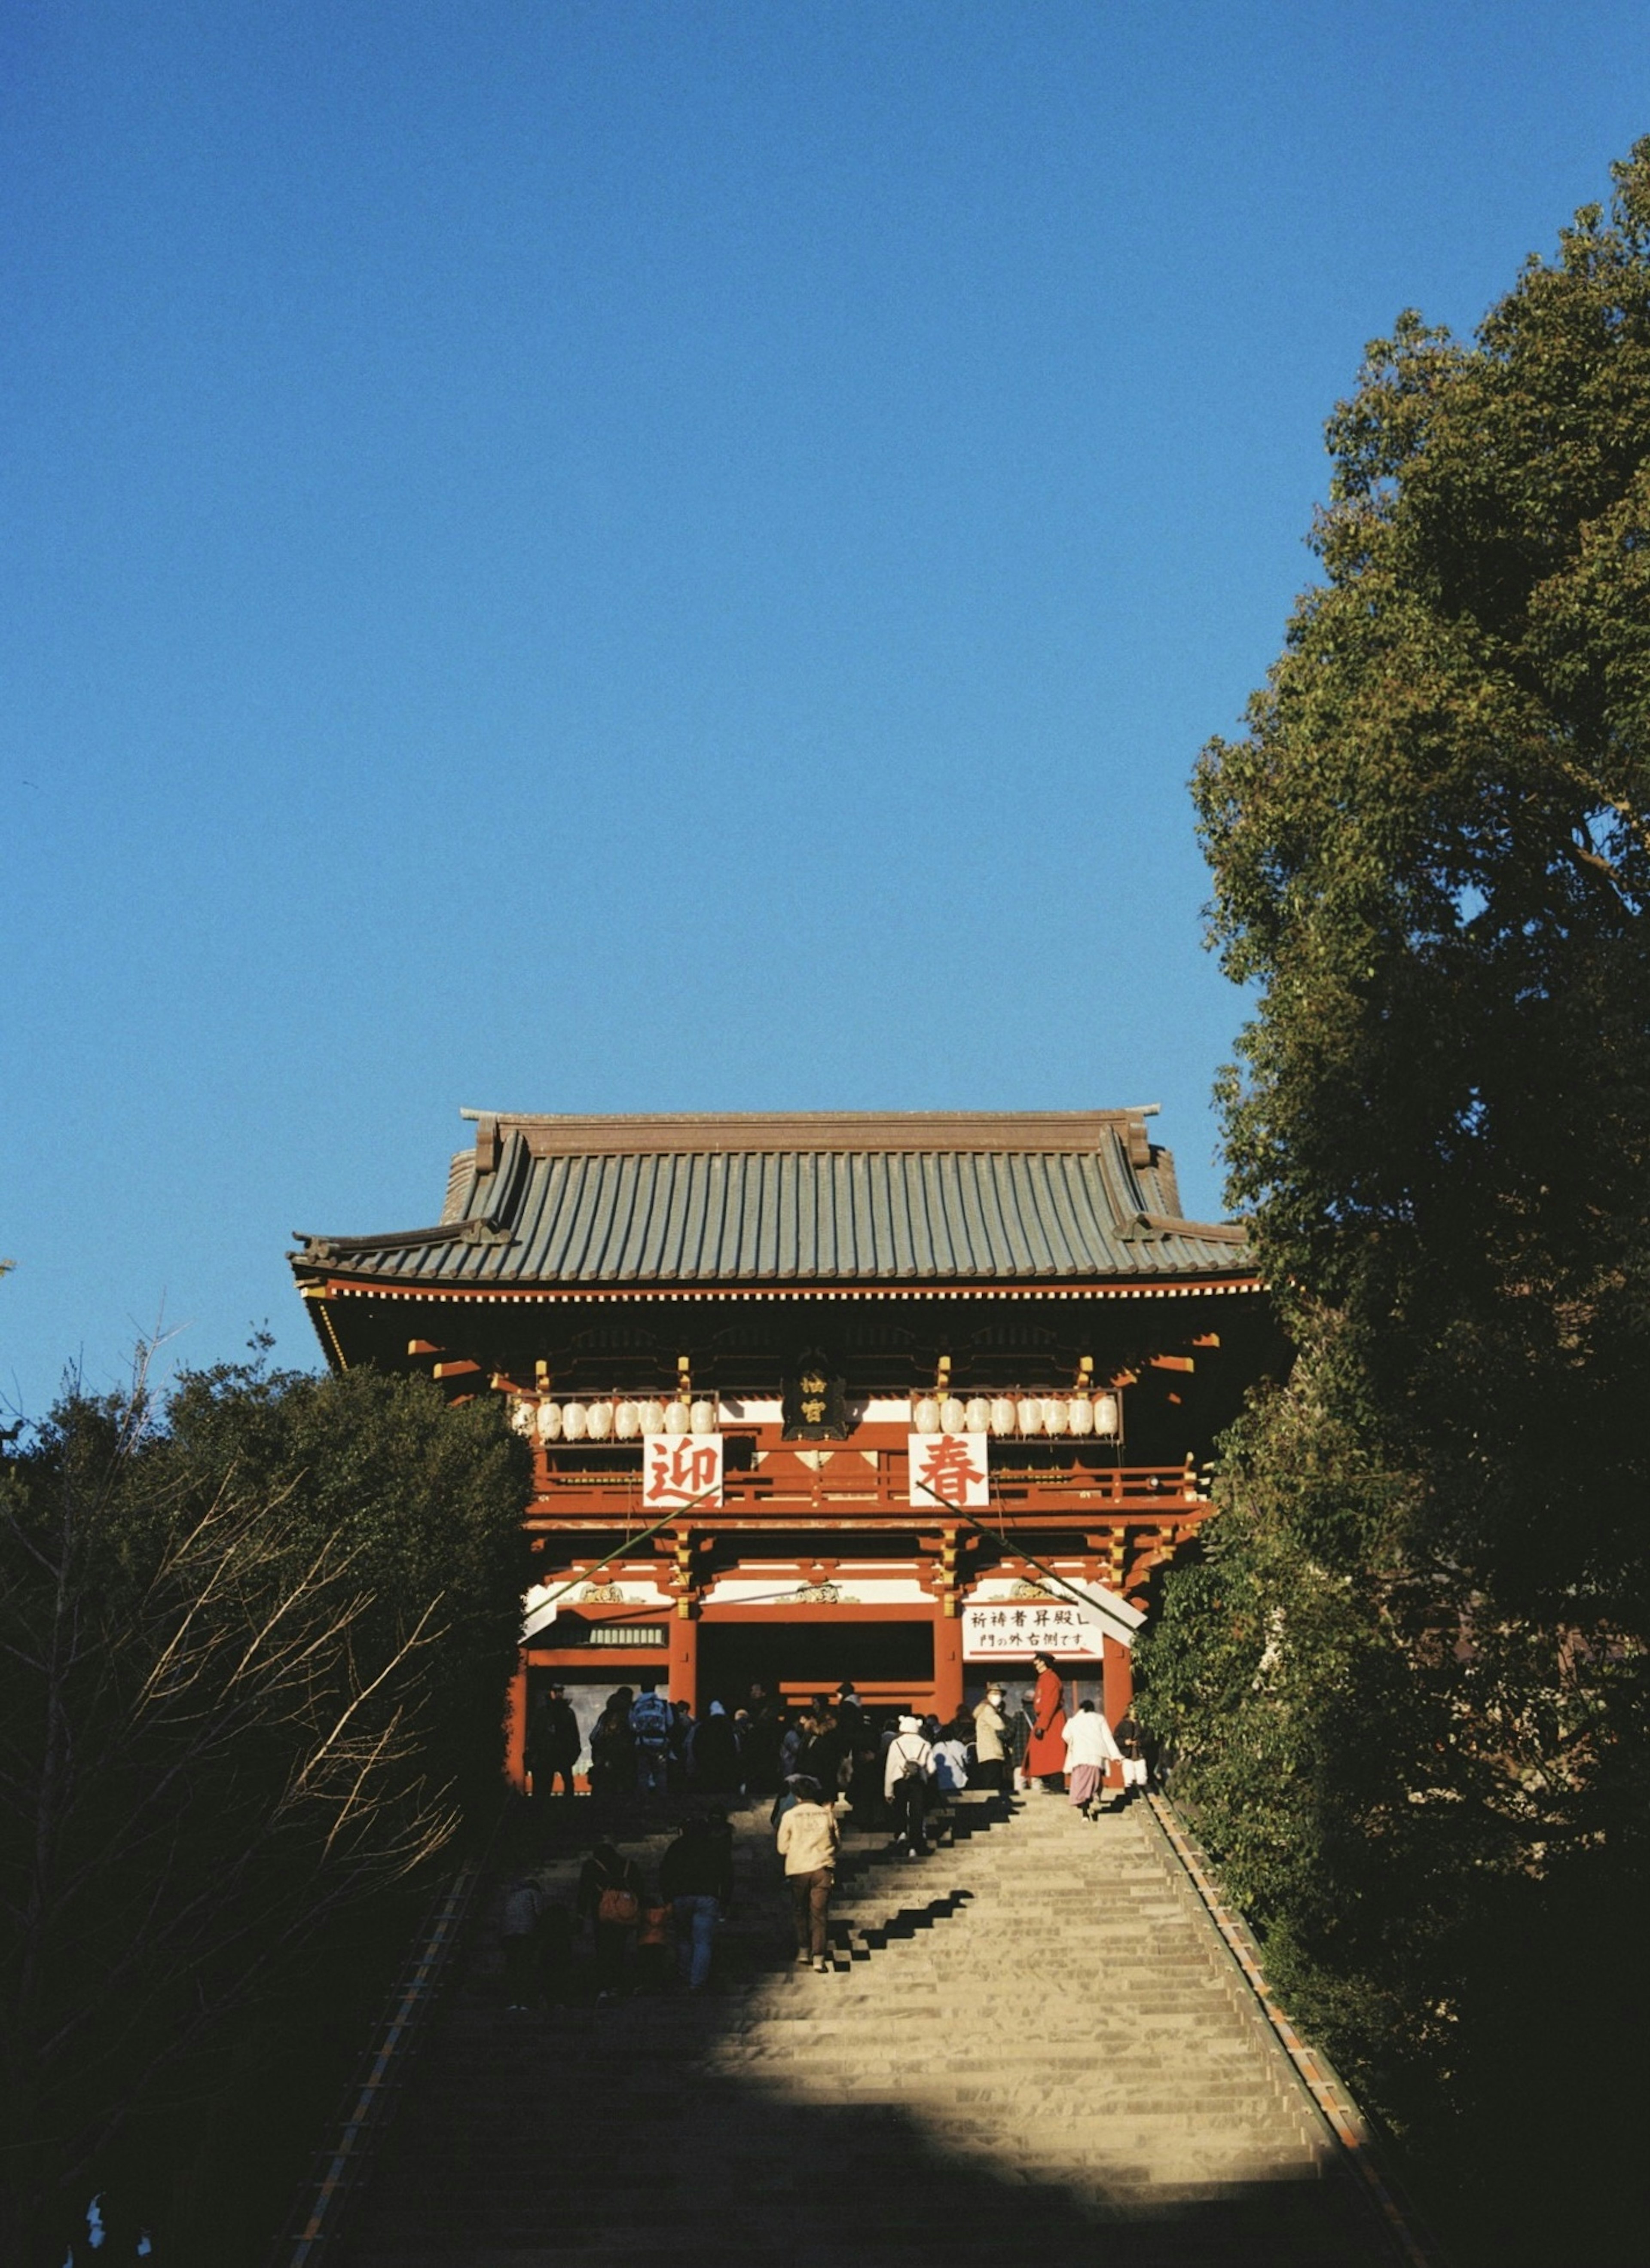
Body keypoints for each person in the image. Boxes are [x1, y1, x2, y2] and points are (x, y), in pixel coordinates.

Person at [659, 1812, 736, 1991]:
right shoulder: (715, 1846)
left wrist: (668, 1898)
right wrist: (725, 1900)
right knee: (703, 1941)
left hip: (681, 1897)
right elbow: (727, 1875)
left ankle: (685, 1975)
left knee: (684, 1939)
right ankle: (697, 1982)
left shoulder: (676, 1846)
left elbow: (665, 1873)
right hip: (707, 1897)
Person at [776, 1774, 840, 1973]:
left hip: (798, 1868)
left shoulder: (789, 1816)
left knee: (800, 1910)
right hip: (822, 1867)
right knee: (819, 1914)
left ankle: (804, 1949)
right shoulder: (827, 1815)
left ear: (797, 1796)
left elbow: (782, 1848)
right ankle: (819, 1957)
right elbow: (837, 1843)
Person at [576, 1841, 643, 2001]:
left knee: (604, 1949)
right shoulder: (628, 1865)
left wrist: (580, 1914)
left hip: (602, 1915)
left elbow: (584, 1890)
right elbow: (640, 1888)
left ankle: (607, 1985)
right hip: (624, 1914)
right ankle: (618, 1983)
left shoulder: (592, 1866)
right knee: (619, 1948)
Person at [884, 1712, 935, 1857]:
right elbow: (931, 1769)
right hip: (918, 1781)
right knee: (916, 1812)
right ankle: (915, 1844)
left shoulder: (896, 1743)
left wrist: (888, 1792)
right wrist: (922, 1773)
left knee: (900, 1806)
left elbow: (890, 1768)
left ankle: (901, 1833)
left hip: (900, 1781)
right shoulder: (925, 1744)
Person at [1062, 1698, 1122, 1817]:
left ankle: (1085, 1812)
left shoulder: (1073, 1721)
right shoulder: (1099, 1719)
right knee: (1094, 1784)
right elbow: (1107, 1738)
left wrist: (1075, 1743)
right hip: (1096, 1757)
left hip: (1080, 1757)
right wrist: (1116, 1755)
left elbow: (1065, 1735)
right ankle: (1094, 1800)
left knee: (1081, 1785)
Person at [1024, 1654, 1069, 1791]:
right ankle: (1050, 1784)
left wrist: (1043, 1725)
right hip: (1046, 1718)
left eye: (1037, 1661)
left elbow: (1051, 1703)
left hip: (1051, 1720)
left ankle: (1056, 1786)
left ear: (1043, 1662)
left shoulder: (1050, 1679)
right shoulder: (1045, 1678)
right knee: (1045, 1755)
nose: (1035, 1663)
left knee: (1054, 1755)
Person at [528, 1681, 581, 1798]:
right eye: (556, 1692)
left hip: (563, 1754)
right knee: (545, 1787)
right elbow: (535, 1734)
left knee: (568, 1785)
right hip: (546, 1754)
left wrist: (574, 1753)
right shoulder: (543, 1713)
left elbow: (574, 1735)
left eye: (560, 1692)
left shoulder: (568, 1713)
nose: (559, 1695)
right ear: (551, 1693)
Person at [500, 1874, 543, 2011]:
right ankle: (525, 2002)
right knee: (525, 1966)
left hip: (508, 1934)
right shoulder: (533, 1893)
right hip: (526, 1933)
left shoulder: (512, 1896)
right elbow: (539, 1912)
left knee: (512, 1967)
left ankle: (513, 2001)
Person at [588, 1689, 636, 1798]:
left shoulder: (605, 1716)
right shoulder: (629, 1714)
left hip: (605, 1756)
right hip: (625, 1757)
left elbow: (594, 1736)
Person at [630, 1679, 672, 1796]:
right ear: (654, 1689)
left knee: (643, 1773)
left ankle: (644, 1801)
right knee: (661, 1773)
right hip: (660, 1742)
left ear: (642, 1689)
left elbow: (632, 1725)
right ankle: (662, 1801)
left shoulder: (635, 1705)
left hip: (642, 1742)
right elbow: (670, 1722)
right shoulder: (663, 1704)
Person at [691, 1698, 741, 1792]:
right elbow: (736, 1745)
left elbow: (694, 1745)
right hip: (726, 1763)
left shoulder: (701, 1728)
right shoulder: (729, 1728)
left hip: (706, 1762)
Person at [972, 1684, 1008, 1794]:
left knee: (989, 1782)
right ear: (988, 1695)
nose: (998, 1697)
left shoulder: (984, 1710)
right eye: (994, 1694)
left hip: (985, 1753)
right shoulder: (988, 1710)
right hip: (992, 1751)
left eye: (999, 1694)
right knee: (993, 1784)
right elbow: (1000, 1726)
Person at [932, 1715, 973, 1796]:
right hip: (959, 1781)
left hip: (942, 1782)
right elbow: (967, 1760)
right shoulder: (959, 1745)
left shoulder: (937, 1747)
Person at [1115, 1706, 1150, 1801]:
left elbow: (1149, 1738)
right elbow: (1116, 1739)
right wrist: (1125, 1742)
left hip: (1140, 1754)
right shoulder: (1123, 1724)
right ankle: (1130, 1797)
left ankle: (1142, 1795)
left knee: (1142, 1775)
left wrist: (1140, 1743)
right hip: (1127, 1755)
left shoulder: (1143, 1724)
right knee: (1129, 1776)